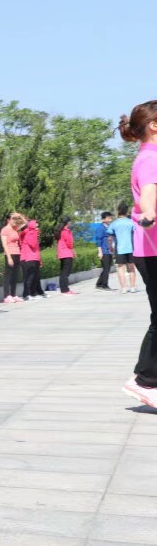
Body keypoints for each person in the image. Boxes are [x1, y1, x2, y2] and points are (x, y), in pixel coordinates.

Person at [120, 101, 157, 407]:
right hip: (153, 249)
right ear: (154, 126)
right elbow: (148, 194)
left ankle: (146, 379)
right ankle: (145, 380)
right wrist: (148, 213)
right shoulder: (151, 159)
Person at [109, 204, 138, 293]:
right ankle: (132, 287)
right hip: (131, 248)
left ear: (118, 211)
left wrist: (110, 247)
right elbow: (136, 234)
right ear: (127, 211)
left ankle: (124, 288)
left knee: (121, 268)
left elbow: (110, 238)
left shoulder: (114, 223)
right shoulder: (131, 222)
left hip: (120, 249)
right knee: (131, 268)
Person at [0, 212, 26, 303]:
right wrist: (9, 257)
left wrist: (19, 215)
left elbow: (25, 223)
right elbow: (4, 244)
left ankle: (13, 294)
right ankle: (7, 296)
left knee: (15, 275)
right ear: (8, 220)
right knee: (8, 275)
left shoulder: (15, 229)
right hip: (9, 254)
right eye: (13, 219)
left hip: (17, 253)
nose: (15, 221)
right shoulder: (4, 230)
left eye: (15, 219)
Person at [19, 218, 46, 300]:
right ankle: (26, 295)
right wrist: (35, 232)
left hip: (33, 257)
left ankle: (33, 293)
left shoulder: (32, 233)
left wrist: (39, 260)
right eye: (36, 227)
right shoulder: (30, 233)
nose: (37, 228)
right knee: (29, 278)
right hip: (29, 258)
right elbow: (33, 245)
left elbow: (36, 249)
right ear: (32, 227)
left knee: (34, 277)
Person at [56, 216, 77, 295]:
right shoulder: (66, 231)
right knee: (66, 273)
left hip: (61, 253)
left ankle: (63, 290)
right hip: (67, 253)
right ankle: (65, 290)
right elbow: (69, 243)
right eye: (70, 221)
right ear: (67, 222)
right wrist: (73, 252)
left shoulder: (59, 231)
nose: (70, 223)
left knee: (63, 272)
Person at [94, 211, 115, 290]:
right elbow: (98, 241)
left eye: (111, 218)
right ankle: (104, 285)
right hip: (104, 251)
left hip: (109, 250)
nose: (110, 219)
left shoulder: (109, 227)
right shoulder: (100, 228)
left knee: (107, 268)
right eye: (108, 218)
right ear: (103, 219)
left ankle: (99, 283)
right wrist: (100, 252)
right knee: (106, 268)